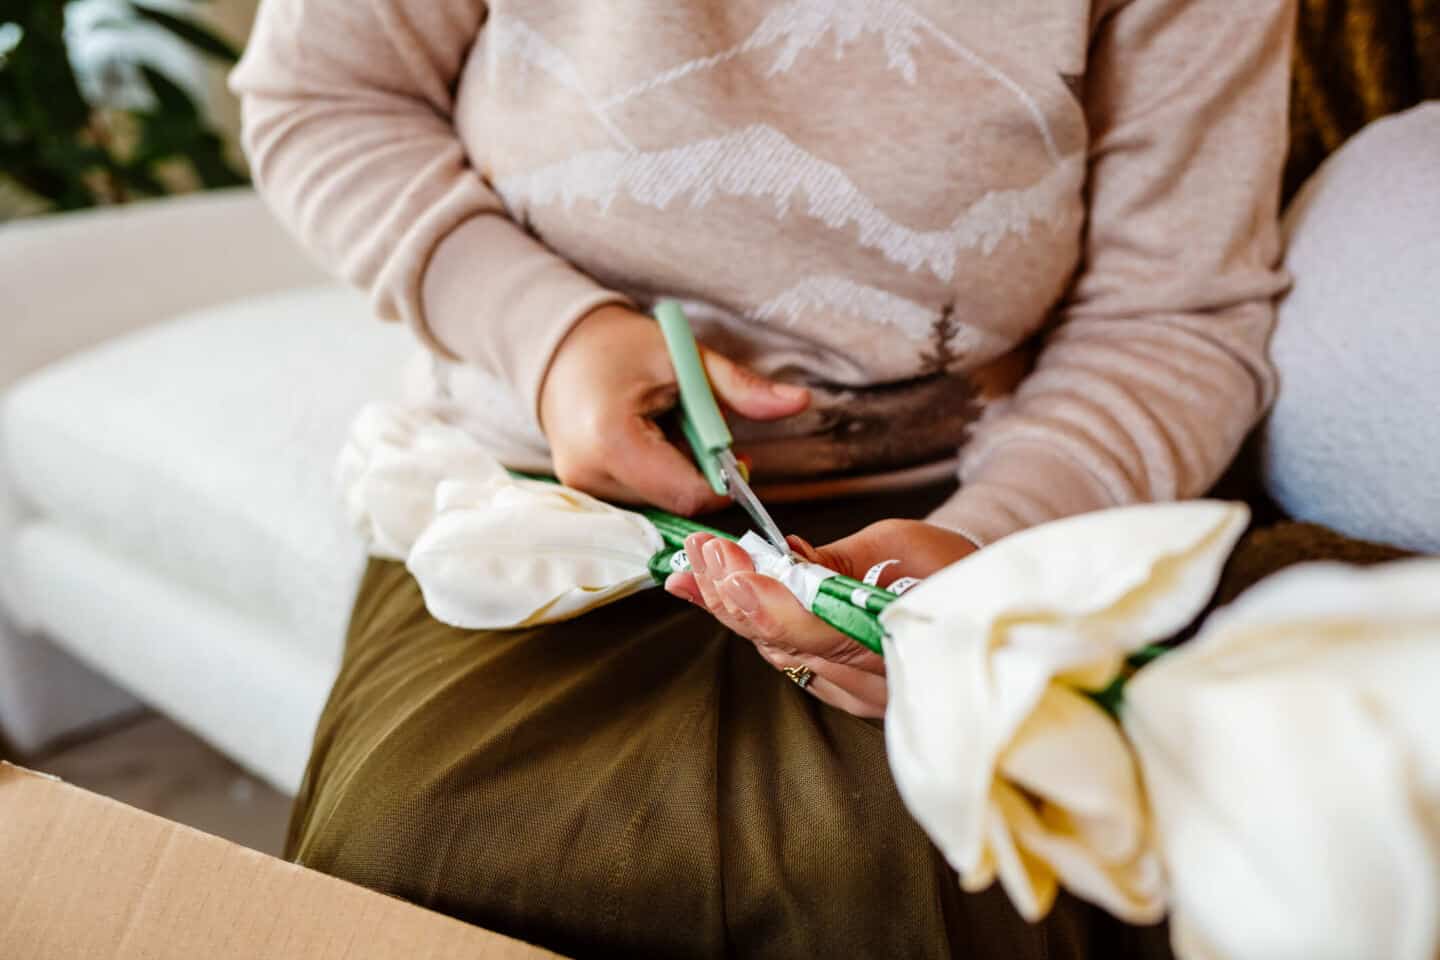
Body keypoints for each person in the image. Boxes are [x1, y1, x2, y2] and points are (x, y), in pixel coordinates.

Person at [231, 1, 1295, 955]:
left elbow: (1177, 310)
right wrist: (551, 340)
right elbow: (320, 96)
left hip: (985, 494)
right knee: (417, 852)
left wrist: (991, 544)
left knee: (958, 877)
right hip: (532, 480)